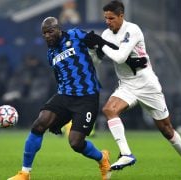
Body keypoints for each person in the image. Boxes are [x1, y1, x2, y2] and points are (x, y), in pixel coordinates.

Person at [87, 1, 181, 179]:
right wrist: (92, 50)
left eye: (111, 18)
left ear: (121, 16)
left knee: (166, 129)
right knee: (109, 110)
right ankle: (126, 154)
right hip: (127, 85)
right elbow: (98, 61)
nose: (108, 22)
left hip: (147, 84)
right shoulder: (106, 34)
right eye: (105, 18)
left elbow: (119, 58)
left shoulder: (132, 30)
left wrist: (100, 43)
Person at [8, 17, 111, 180]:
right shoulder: (51, 53)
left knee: (76, 143)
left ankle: (102, 158)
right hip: (64, 94)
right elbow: (60, 77)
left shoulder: (75, 35)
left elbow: (94, 40)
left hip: (87, 97)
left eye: (50, 31)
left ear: (59, 29)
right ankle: (24, 173)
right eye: (44, 33)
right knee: (40, 123)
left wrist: (105, 48)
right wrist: (60, 117)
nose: (47, 36)